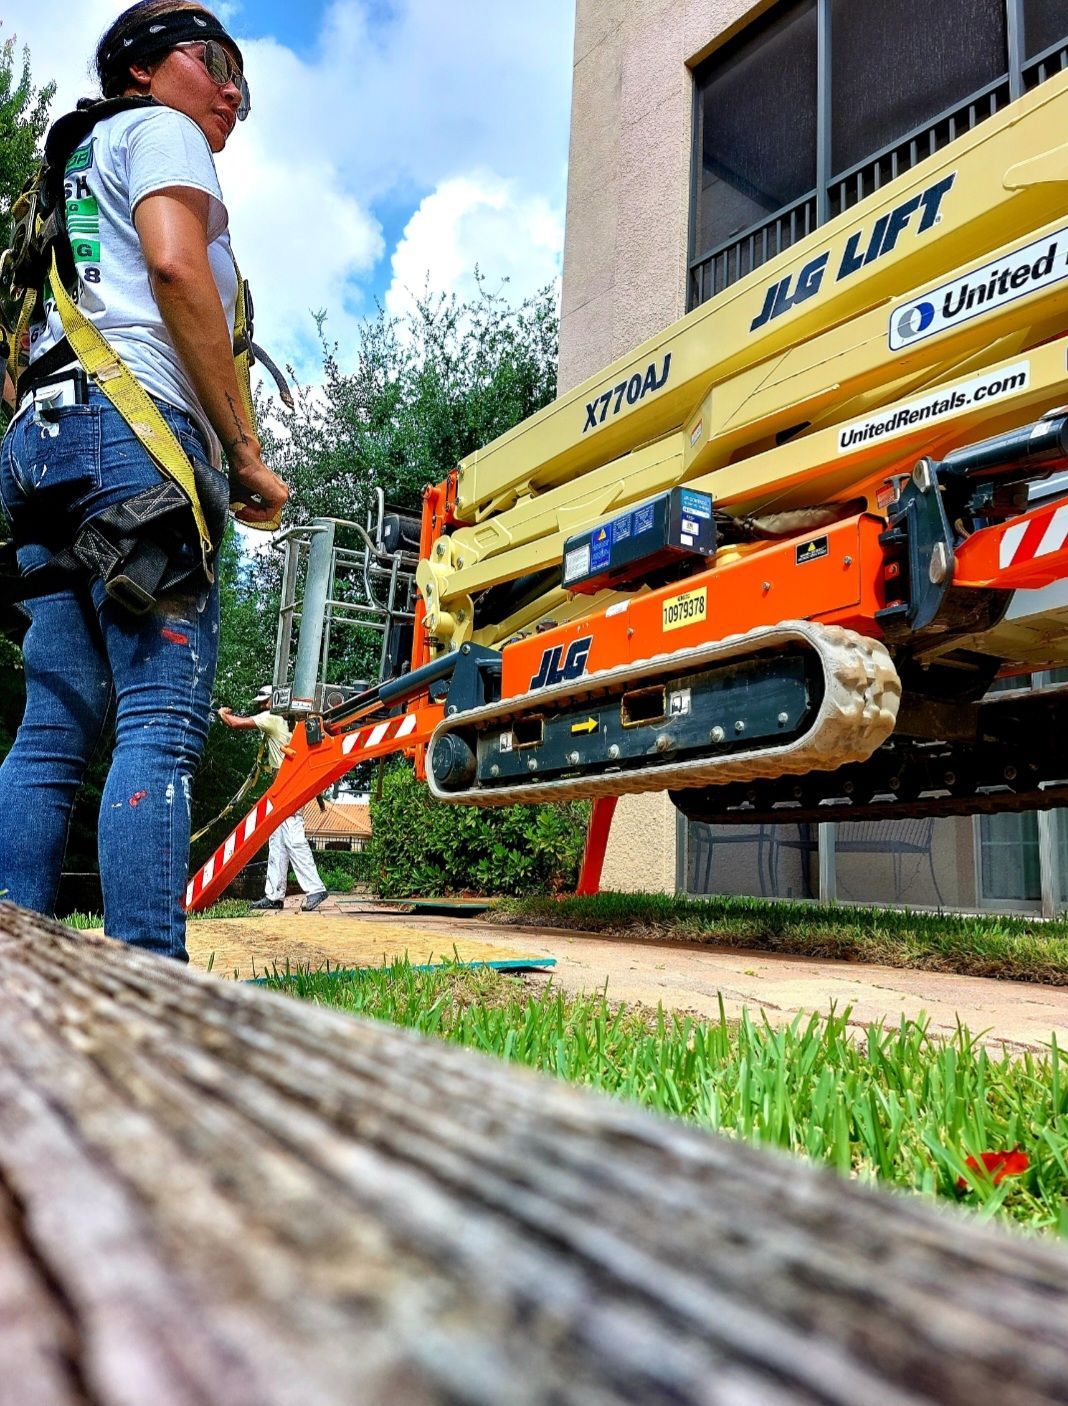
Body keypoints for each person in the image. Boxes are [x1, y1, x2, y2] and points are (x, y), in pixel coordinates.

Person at [0, 1, 288, 960]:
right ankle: (148, 989)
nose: (234, 89)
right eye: (215, 61)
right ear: (143, 70)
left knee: (52, 729)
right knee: (160, 721)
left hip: (38, 446)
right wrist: (241, 452)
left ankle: (22, 974)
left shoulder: (59, 178)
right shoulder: (159, 131)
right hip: (133, 444)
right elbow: (173, 267)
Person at [218, 687, 329, 912]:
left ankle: (315, 888)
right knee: (277, 840)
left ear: (273, 701)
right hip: (288, 781)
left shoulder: (272, 718)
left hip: (287, 783)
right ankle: (274, 896)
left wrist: (222, 714)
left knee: (293, 836)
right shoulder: (291, 722)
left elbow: (235, 724)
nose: (260, 705)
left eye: (263, 701)